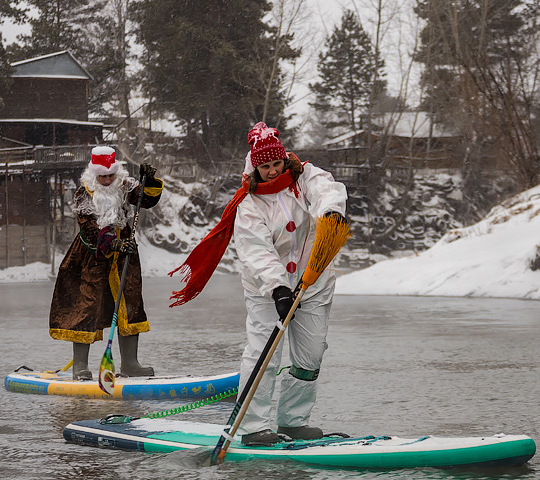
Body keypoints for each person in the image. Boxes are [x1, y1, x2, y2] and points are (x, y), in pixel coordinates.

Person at [169, 122, 347, 446]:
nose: (272, 171)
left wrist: (331, 211)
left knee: (311, 356)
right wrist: (278, 288)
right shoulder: (248, 204)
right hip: (266, 289)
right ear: (255, 163)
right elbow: (256, 250)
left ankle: (293, 422)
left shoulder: (304, 177)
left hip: (313, 280)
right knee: (264, 354)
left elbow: (327, 189)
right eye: (264, 166)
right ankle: (254, 426)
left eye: (276, 163)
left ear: (283, 158)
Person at [49, 146, 164, 380]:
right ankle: (80, 366)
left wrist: (149, 180)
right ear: (94, 175)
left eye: (111, 175)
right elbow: (89, 227)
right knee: (85, 307)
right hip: (91, 257)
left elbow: (146, 199)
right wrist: (112, 244)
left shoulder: (124, 185)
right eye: (103, 176)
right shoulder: (84, 193)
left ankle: (130, 364)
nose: (107, 180)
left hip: (124, 257)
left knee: (129, 305)